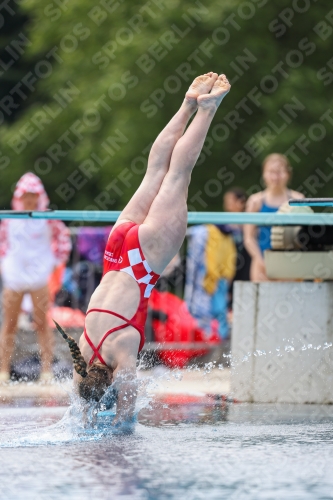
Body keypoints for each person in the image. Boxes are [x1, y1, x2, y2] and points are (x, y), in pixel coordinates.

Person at [55, 72, 231, 425]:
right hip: (116, 249)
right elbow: (79, 403)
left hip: (143, 263)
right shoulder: (83, 354)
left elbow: (125, 418)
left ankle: (207, 109)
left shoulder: (120, 352)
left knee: (179, 174)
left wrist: (111, 418)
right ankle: (186, 104)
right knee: (154, 173)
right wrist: (87, 413)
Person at [0, 173, 71, 381]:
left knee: (42, 323)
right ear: (20, 197)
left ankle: (46, 370)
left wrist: (56, 261)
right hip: (14, 276)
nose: (29, 200)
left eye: (33, 196)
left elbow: (64, 237)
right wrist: (4, 264)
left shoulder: (48, 219)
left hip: (39, 275)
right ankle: (3, 370)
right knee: (9, 324)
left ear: (38, 196)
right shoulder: (9, 219)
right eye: (26, 196)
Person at [244, 154, 304, 281]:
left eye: (279, 172)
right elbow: (249, 238)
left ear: (287, 174)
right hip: (261, 266)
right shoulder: (255, 201)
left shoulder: (298, 199)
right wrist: (262, 263)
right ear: (264, 174)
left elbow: (304, 236)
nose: (275, 177)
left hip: (290, 265)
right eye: (271, 172)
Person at [223, 187, 251, 309]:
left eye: (230, 200)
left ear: (241, 202)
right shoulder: (223, 225)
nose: (227, 204)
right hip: (229, 264)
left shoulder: (249, 223)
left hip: (245, 265)